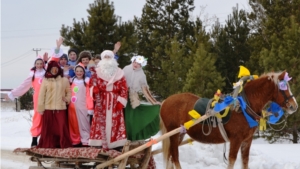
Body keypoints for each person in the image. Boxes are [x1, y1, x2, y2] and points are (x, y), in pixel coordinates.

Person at [37, 37, 72, 148]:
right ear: (50, 70)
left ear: (59, 70)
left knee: (61, 127)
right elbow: (41, 95)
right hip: (48, 108)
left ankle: (62, 144)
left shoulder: (64, 80)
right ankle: (48, 144)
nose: (55, 71)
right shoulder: (46, 81)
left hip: (60, 108)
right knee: (49, 128)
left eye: (56, 70)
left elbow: (69, 92)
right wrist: (41, 109)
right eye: (53, 70)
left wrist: (67, 99)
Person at [89, 50, 128, 150]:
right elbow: (91, 85)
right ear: (102, 59)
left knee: (116, 121)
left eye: (109, 57)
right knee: (100, 121)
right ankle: (98, 142)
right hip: (101, 100)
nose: (107, 59)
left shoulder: (119, 72)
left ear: (113, 58)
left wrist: (121, 100)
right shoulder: (97, 72)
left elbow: (124, 87)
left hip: (115, 101)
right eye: (105, 57)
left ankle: (116, 143)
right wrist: (94, 89)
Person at [7, 53, 48, 147]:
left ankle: (46, 139)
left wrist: (46, 61)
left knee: (48, 117)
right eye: (37, 63)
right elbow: (24, 85)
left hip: (48, 97)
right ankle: (34, 139)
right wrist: (13, 93)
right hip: (38, 97)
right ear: (35, 64)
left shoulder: (46, 72)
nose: (39, 65)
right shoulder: (33, 74)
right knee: (38, 117)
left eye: (41, 63)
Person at [123, 55, 160, 141]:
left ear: (141, 65)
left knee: (130, 118)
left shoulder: (141, 75)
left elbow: (145, 90)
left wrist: (153, 102)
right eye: (135, 62)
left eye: (139, 64)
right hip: (121, 96)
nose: (136, 65)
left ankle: (130, 136)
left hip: (132, 98)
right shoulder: (126, 69)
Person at [68, 63, 94, 146]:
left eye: (81, 71)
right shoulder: (71, 81)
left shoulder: (87, 81)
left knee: (84, 124)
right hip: (73, 107)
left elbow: (89, 95)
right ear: (75, 72)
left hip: (83, 106)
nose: (79, 73)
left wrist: (90, 107)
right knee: (74, 124)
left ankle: (85, 139)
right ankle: (75, 140)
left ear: (83, 72)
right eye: (77, 71)